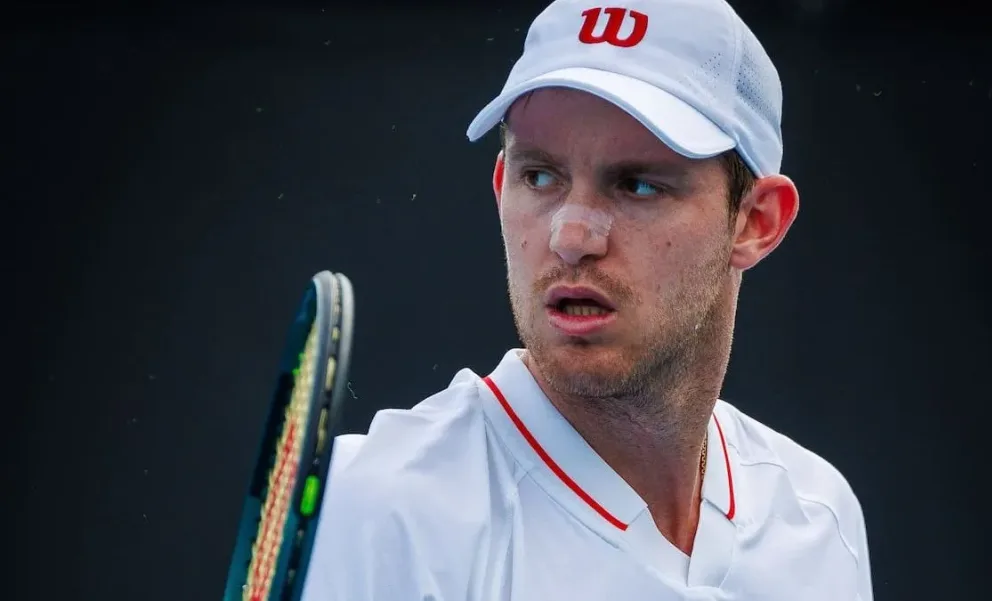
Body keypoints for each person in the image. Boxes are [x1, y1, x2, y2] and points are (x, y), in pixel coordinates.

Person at [302, 0, 873, 599]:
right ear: (500, 187)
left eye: (639, 185)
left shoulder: (820, 520)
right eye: (539, 176)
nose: (571, 236)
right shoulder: (374, 511)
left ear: (756, 221)